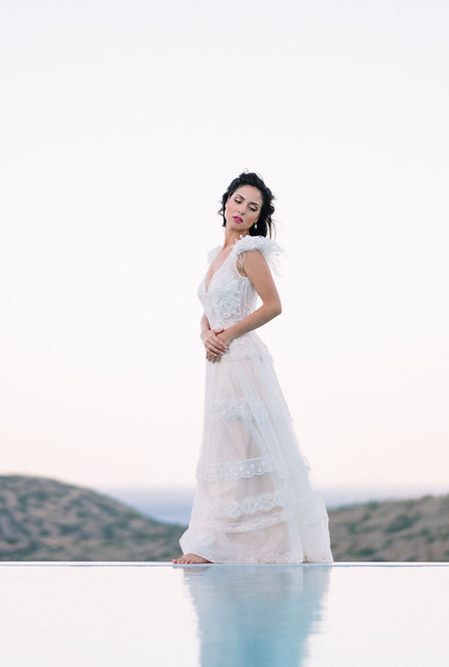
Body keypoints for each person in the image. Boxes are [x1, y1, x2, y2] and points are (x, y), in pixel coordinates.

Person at [174, 172, 333, 565]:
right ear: (225, 201)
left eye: (253, 207)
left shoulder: (250, 253)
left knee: (240, 448)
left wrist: (226, 337)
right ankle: (217, 542)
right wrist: (206, 334)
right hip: (218, 361)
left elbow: (273, 305)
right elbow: (207, 311)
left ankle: (210, 549)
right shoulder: (217, 257)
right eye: (239, 200)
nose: (243, 210)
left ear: (259, 217)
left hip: (242, 359)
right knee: (222, 447)